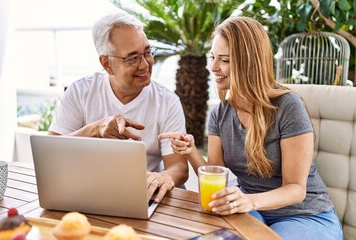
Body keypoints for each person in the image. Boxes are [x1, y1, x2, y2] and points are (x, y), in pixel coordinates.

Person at [159, 16, 343, 239]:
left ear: (249, 62)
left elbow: (296, 188)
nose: (213, 67)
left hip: (304, 215)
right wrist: (190, 151)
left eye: (224, 60)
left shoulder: (288, 106)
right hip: (250, 210)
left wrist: (249, 200)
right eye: (213, 57)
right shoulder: (220, 113)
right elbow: (215, 174)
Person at [48, 10, 188, 203]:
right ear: (106, 64)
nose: (145, 64)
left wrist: (165, 177)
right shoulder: (80, 91)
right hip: (87, 192)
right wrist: (96, 129)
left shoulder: (167, 101)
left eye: (147, 52)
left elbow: (179, 167)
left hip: (143, 196)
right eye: (132, 58)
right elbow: (50, 153)